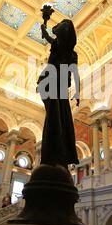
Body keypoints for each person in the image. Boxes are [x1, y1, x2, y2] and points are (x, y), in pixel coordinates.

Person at [37, 19, 80, 169]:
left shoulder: (71, 54)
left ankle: (58, 152)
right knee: (56, 117)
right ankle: (55, 152)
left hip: (59, 86)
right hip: (49, 82)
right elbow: (47, 36)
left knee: (60, 117)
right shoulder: (58, 45)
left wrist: (78, 92)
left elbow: (75, 73)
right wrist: (43, 26)